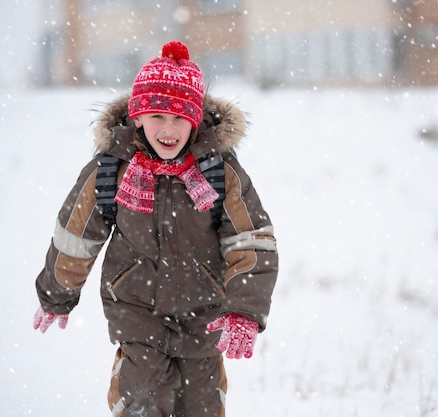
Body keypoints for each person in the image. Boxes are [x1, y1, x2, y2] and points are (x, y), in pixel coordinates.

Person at [33, 40, 278, 417]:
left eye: (180, 118)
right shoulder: (111, 170)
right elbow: (77, 235)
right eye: (157, 116)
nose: (168, 129)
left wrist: (244, 309)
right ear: (137, 116)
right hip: (137, 310)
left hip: (203, 313)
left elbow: (251, 240)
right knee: (143, 399)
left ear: (195, 121)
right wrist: (56, 293)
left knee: (201, 406)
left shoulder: (218, 172)